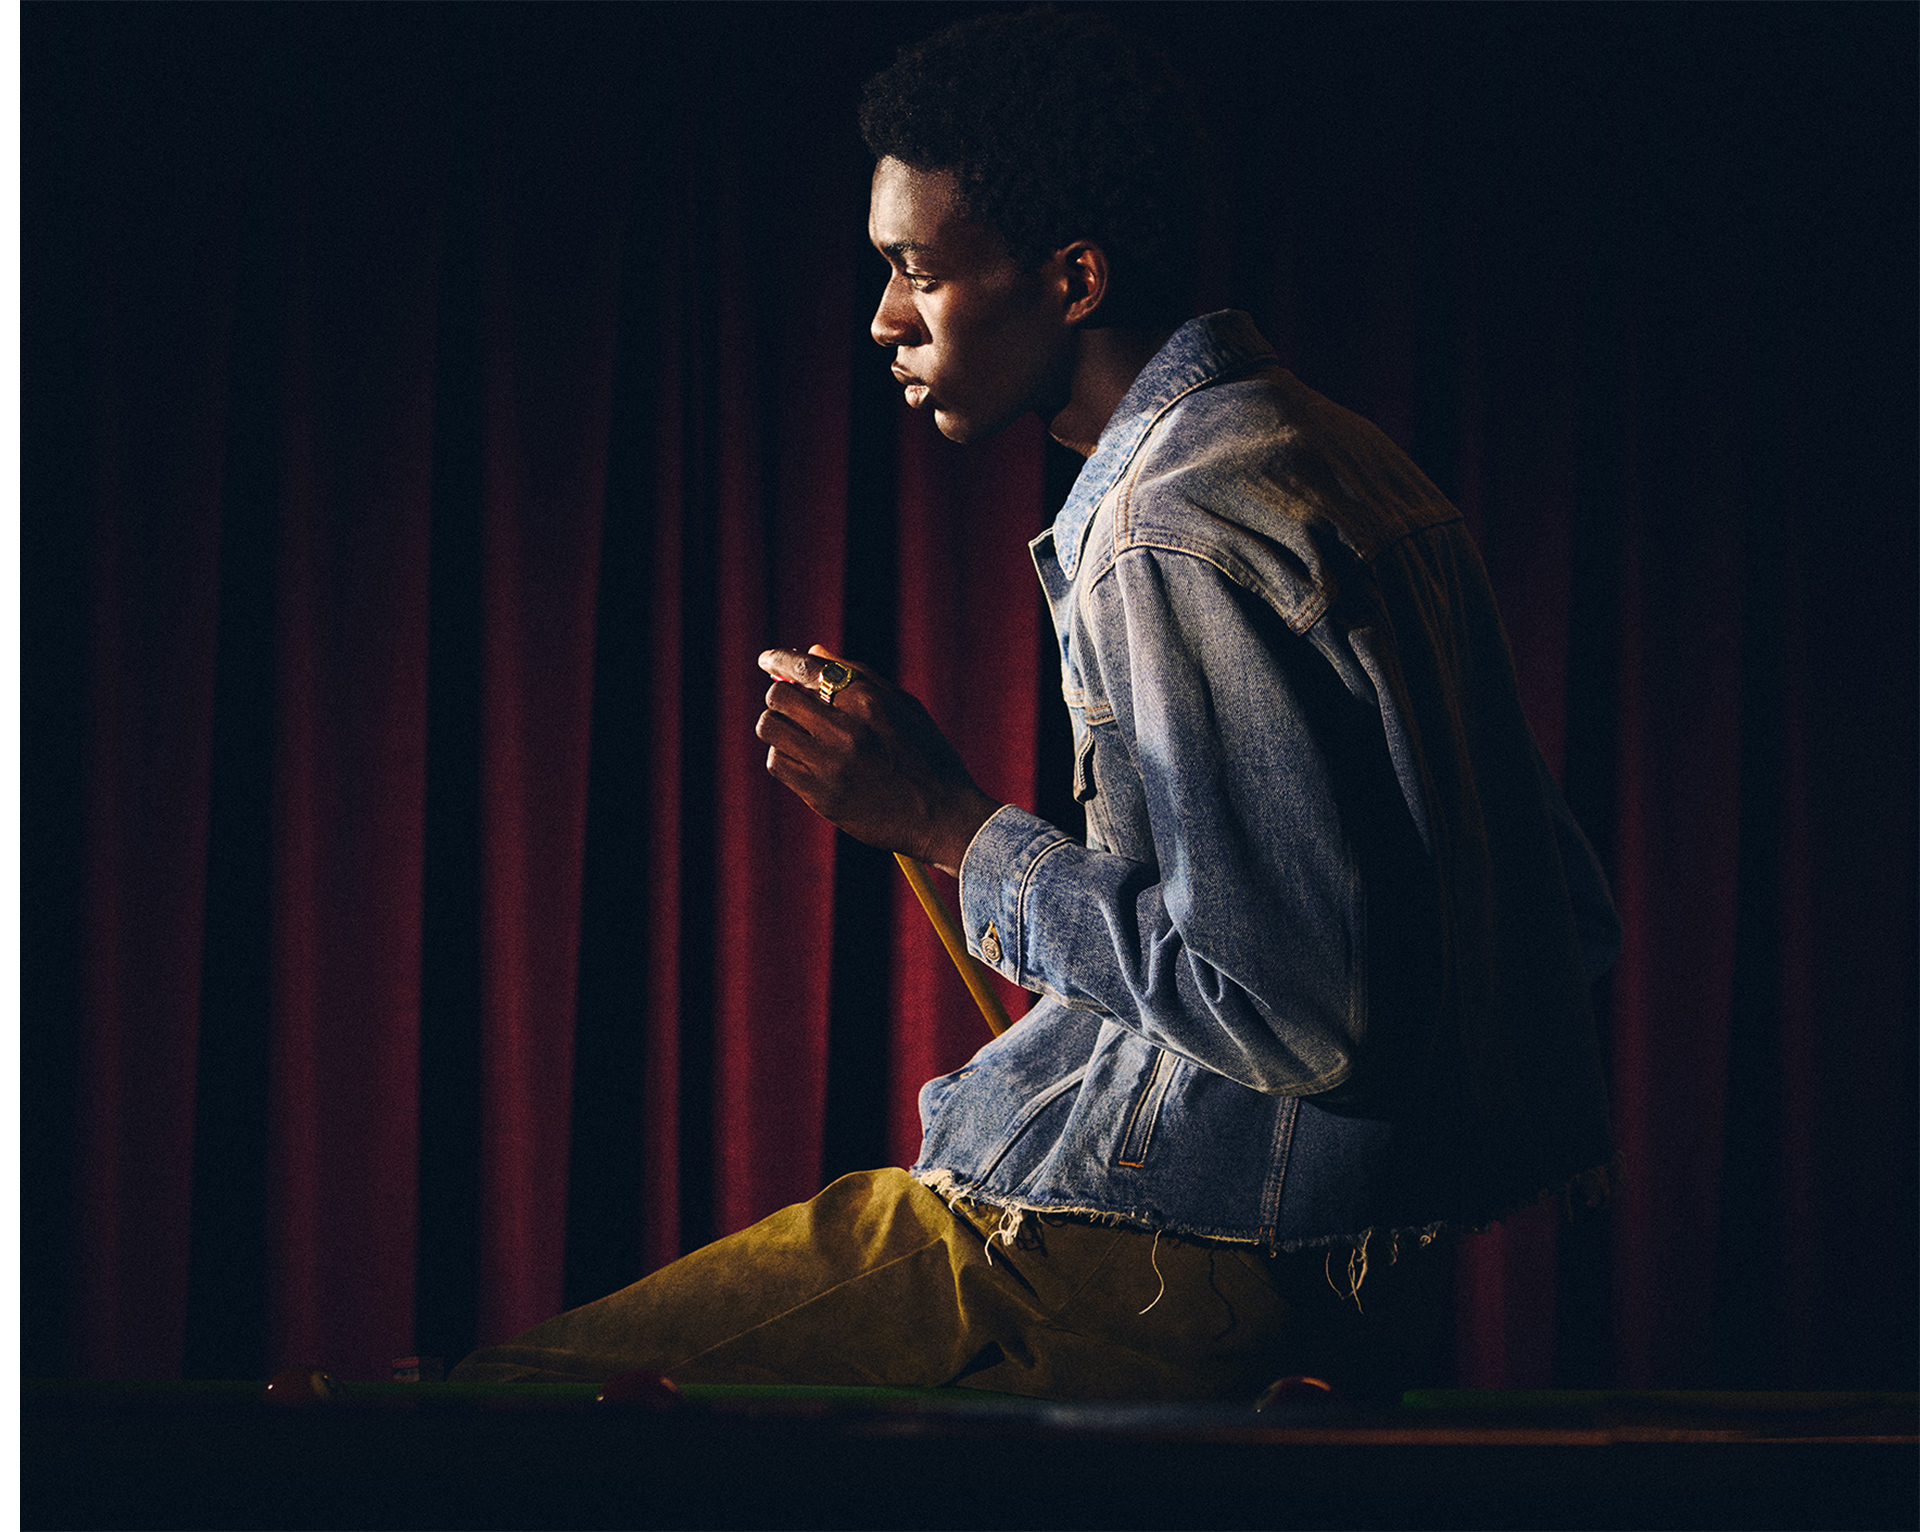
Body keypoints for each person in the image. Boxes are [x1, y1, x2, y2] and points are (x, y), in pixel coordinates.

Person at [451, 8, 1618, 1403]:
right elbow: (1565, 912)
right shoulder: (1344, 462)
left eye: (916, 271)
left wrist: (948, 821)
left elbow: (1291, 1007)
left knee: (491, 1422)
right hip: (1320, 1265)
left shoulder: (1171, 521)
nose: (883, 317)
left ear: (1070, 277)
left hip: (1132, 1259)